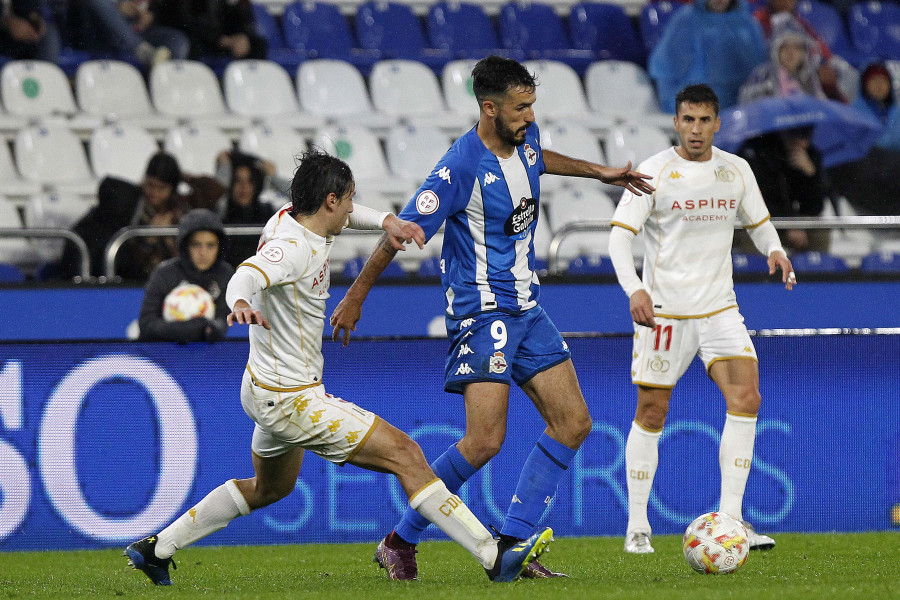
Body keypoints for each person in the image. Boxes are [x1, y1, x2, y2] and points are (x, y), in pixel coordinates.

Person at [124, 149, 553, 587]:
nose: (351, 208)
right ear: (330, 200)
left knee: (270, 488)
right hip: (292, 399)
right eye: (348, 199)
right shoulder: (293, 248)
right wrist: (237, 301)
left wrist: (387, 221)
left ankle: (156, 549)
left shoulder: (288, 217)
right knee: (406, 455)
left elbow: (346, 220)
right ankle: (492, 554)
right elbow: (248, 275)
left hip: (260, 385)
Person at [330, 55, 654, 580]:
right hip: (483, 314)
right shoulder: (459, 166)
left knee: (574, 423)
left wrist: (601, 172)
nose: (529, 116)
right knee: (484, 441)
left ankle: (514, 544)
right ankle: (399, 539)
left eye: (532, 106)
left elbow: (538, 157)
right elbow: (399, 231)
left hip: (526, 306)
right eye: (520, 107)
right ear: (489, 108)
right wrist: (356, 296)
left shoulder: (523, 136)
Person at [607, 83, 794, 555]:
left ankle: (732, 520)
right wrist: (636, 289)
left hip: (719, 309)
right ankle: (637, 525)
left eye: (704, 120)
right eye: (687, 120)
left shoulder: (736, 171)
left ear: (716, 123)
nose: (696, 129)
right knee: (652, 411)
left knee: (746, 396)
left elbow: (758, 222)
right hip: (665, 313)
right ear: (675, 122)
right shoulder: (653, 172)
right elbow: (618, 239)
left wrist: (775, 249)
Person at [738, 15, 831, 252]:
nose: (791, 53)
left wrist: (809, 171)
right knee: (753, 236)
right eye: (785, 47)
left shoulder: (809, 145)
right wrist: (789, 223)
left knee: (820, 233)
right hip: (763, 215)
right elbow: (761, 190)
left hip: (794, 218)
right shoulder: (757, 148)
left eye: (797, 47)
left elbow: (816, 205)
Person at [57, 152, 188, 281]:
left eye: (161, 188)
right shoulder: (129, 205)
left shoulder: (180, 213)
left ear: (172, 189)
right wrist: (148, 239)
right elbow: (126, 257)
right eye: (150, 185)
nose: (154, 193)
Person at [648, 0, 767, 113]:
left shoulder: (746, 23)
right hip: (694, 105)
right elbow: (665, 70)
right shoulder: (685, 20)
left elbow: (759, 70)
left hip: (740, 105)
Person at [137, 208, 233, 342]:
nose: (203, 253)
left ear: (219, 247)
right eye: (196, 245)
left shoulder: (225, 274)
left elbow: (221, 325)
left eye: (210, 245)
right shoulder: (164, 273)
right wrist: (194, 328)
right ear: (185, 246)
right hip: (164, 352)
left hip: (207, 355)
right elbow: (147, 325)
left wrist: (206, 329)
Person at [828, 62, 900, 216]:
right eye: (874, 81)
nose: (879, 86)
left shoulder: (898, 113)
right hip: (868, 180)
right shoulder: (852, 114)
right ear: (864, 84)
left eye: (883, 81)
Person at [752, 0, 855, 103]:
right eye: (785, 47)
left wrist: (824, 71)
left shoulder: (801, 26)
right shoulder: (755, 23)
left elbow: (825, 56)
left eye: (796, 47)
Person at [60, 0, 189, 66]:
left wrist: (151, 16)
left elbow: (161, 7)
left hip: (141, 32)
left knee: (178, 40)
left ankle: (160, 71)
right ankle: (142, 51)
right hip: (103, 34)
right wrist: (117, 7)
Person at [214, 150, 277, 267]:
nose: (244, 187)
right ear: (230, 183)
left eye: (250, 181)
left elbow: (297, 199)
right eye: (238, 180)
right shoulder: (220, 211)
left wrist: (272, 177)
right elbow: (222, 157)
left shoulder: (267, 212)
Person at [154, 0, 266, 61]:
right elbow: (185, 21)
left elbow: (234, 15)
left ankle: (248, 91)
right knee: (192, 45)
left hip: (220, 39)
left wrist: (242, 36)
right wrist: (220, 40)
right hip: (198, 37)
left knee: (258, 45)